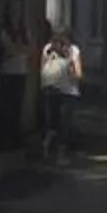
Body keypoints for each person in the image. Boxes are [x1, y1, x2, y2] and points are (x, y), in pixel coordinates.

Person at [38, 22, 84, 162]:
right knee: (65, 126)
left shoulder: (47, 49)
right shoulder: (73, 50)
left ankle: (46, 146)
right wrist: (70, 71)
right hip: (69, 92)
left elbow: (42, 70)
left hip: (50, 89)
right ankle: (60, 156)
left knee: (52, 123)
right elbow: (78, 74)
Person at [0, 6, 33, 149]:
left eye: (17, 13)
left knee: (17, 106)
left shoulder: (24, 30)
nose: (16, 16)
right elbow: (8, 50)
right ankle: (3, 139)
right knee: (6, 106)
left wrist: (17, 48)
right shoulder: (4, 30)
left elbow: (29, 49)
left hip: (21, 72)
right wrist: (18, 48)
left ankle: (15, 138)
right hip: (8, 72)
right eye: (13, 13)